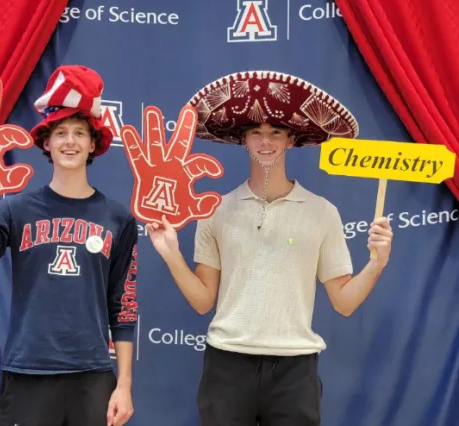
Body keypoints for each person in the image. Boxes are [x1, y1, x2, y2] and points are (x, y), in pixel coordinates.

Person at [146, 70, 394, 426]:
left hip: (295, 370)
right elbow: (203, 301)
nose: (266, 141)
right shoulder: (214, 208)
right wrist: (170, 253)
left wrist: (377, 263)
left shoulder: (322, 212)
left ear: (291, 140)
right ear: (243, 141)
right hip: (227, 365)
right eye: (256, 133)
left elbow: (344, 302)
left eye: (275, 132)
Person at [0, 65, 138, 426]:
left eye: (80, 133)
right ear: (46, 142)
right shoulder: (16, 209)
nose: (70, 141)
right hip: (28, 371)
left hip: (92, 376)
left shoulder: (118, 218)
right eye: (60, 132)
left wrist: (123, 385)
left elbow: (122, 309)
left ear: (93, 143)